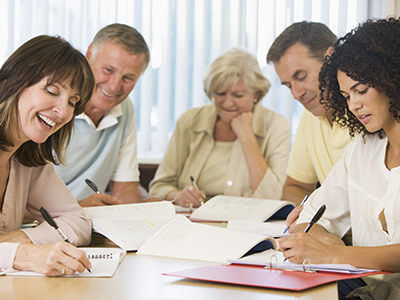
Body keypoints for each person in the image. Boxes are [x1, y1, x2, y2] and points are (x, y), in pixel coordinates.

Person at [278, 17, 400, 300]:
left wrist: (335, 253)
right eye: (345, 95)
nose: (353, 104)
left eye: (361, 90)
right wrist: (325, 241)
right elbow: (308, 220)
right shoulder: (362, 150)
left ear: (392, 79)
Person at [0, 35, 94, 276]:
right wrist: (21, 253)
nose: (63, 112)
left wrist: (25, 236)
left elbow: (77, 222)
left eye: (73, 102)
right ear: (14, 81)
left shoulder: (27, 159)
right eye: (52, 91)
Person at [149, 48, 290, 208]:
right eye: (220, 93)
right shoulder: (190, 121)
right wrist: (179, 196)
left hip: (247, 224)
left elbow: (274, 197)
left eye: (238, 95)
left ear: (256, 94)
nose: (228, 103)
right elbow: (159, 186)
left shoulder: (276, 125)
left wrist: (247, 138)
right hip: (193, 222)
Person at [54, 23, 156, 207]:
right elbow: (16, 201)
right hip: (38, 224)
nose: (115, 86)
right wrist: (79, 207)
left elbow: (125, 189)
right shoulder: (54, 102)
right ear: (89, 54)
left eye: (128, 78)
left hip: (85, 224)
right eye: (108, 70)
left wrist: (150, 204)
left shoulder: (125, 109)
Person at [266, 21, 355, 232]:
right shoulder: (312, 113)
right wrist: (309, 208)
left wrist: (323, 216)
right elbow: (293, 187)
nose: (296, 94)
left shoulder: (368, 112)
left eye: (301, 77)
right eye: (288, 85)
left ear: (330, 58)